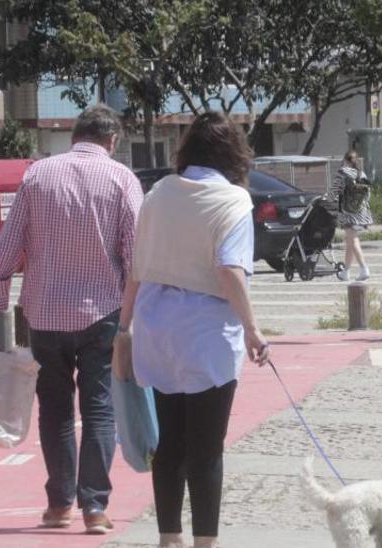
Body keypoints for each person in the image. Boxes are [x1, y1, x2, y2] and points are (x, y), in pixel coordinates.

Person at [0, 105, 142, 534]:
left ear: (73, 135)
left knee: (56, 409)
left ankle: (60, 503)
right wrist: (139, 313)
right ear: (113, 140)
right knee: (100, 408)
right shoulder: (122, 180)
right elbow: (136, 254)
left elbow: (9, 244)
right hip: (102, 312)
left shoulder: (38, 175)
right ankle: (96, 508)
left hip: (44, 314)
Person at [118, 112, 272, 548]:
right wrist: (253, 329)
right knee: (207, 448)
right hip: (205, 333)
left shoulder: (159, 193)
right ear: (234, 154)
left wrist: (123, 326)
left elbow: (137, 267)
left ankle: (170, 538)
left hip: (156, 327)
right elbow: (230, 270)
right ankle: (207, 541)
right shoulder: (234, 201)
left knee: (168, 443)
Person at [326, 150, 372, 281]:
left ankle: (364, 268)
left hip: (347, 211)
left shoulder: (342, 173)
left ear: (345, 160)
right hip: (361, 211)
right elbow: (368, 194)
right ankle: (346, 271)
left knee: (352, 239)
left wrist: (326, 200)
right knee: (350, 240)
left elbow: (333, 192)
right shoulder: (361, 173)